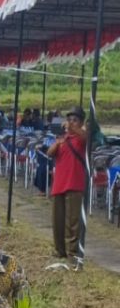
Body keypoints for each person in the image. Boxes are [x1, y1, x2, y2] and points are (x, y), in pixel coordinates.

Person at [46, 107, 88, 266]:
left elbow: (86, 137)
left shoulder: (82, 138)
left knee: (72, 222)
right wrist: (58, 143)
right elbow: (49, 153)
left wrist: (75, 128)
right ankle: (60, 250)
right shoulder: (63, 139)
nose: (71, 123)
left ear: (81, 122)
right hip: (59, 184)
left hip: (74, 184)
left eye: (75, 120)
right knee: (58, 220)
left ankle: (72, 253)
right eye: (69, 119)